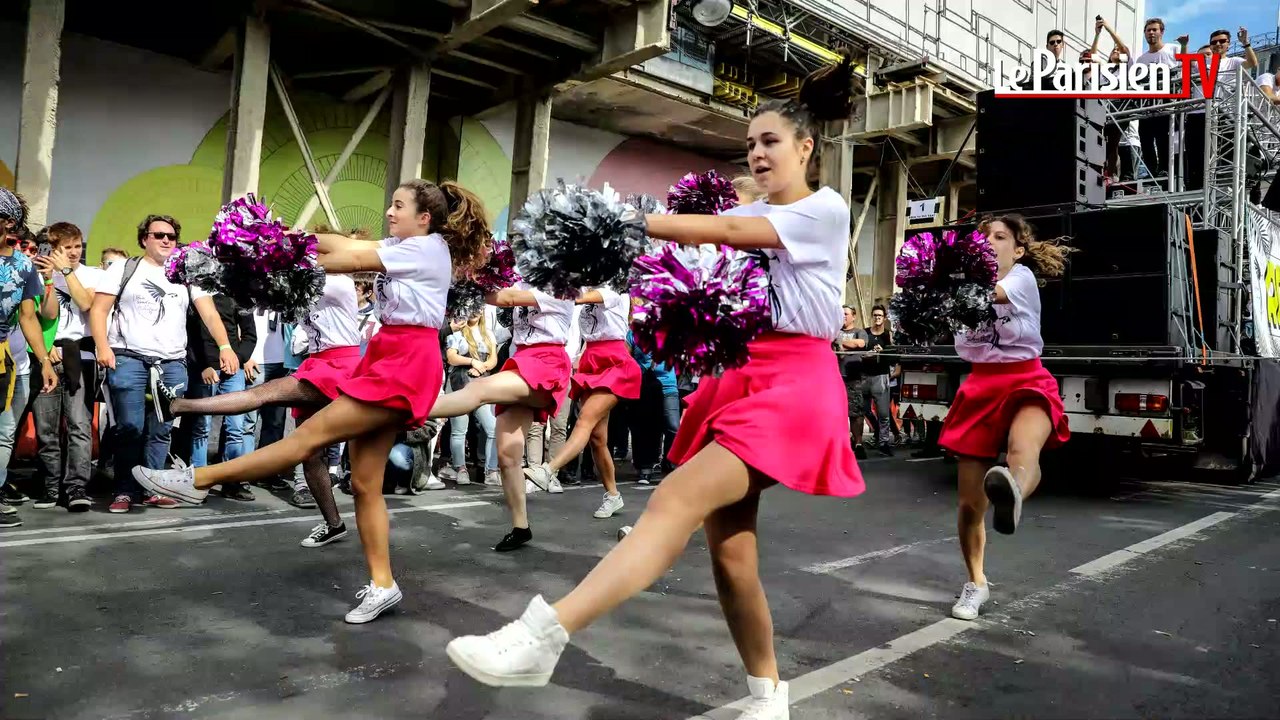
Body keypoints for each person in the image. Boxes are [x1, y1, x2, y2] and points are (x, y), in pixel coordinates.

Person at [444, 52, 863, 720]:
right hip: (745, 379)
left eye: (771, 141)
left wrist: (621, 224)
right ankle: (769, 698)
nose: (756, 153)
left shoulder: (823, 209)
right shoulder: (766, 222)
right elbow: (715, 256)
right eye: (750, 142)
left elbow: (726, 227)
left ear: (806, 147)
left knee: (673, 500)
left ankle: (542, 637)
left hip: (796, 385)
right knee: (732, 555)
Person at [132, 180, 491, 624]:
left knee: (307, 438)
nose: (390, 213)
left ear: (425, 218)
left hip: (404, 362)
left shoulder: (423, 248)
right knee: (363, 484)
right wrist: (269, 239)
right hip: (387, 357)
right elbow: (333, 241)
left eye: (399, 206)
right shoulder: (411, 244)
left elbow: (345, 258)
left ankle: (196, 480)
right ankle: (383, 585)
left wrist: (267, 259)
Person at [158, 269, 361, 547]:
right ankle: (334, 524)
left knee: (265, 393)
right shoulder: (308, 283)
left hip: (340, 366)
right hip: (318, 363)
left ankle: (177, 406)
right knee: (311, 453)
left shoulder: (339, 283)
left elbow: (285, 282)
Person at [941, 215, 1072, 622]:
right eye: (983, 237)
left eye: (999, 237)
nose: (989, 242)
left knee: (1022, 451)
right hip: (979, 386)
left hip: (1025, 377)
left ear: (1016, 249)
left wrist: (942, 286)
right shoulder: (955, 286)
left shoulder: (1020, 277)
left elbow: (989, 296)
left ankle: (1012, 491)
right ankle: (976, 583)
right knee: (967, 506)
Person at [88, 214, 239, 513]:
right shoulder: (123, 268)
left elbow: (209, 314)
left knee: (161, 429)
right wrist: (103, 347)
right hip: (128, 358)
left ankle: (153, 489)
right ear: (144, 239)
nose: (166, 240)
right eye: (158, 235)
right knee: (130, 427)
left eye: (171, 236)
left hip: (171, 363)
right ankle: (124, 490)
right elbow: (99, 310)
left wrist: (225, 346)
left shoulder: (186, 273)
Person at [427, 281, 575, 552]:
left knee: (479, 389)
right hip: (522, 363)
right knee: (507, 456)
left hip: (546, 363)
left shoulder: (560, 287)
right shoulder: (521, 280)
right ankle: (521, 528)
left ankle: (411, 408)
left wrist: (462, 288)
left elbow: (506, 299)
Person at [524, 287, 640, 518]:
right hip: (592, 362)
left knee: (584, 420)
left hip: (615, 364)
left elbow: (574, 298)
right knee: (597, 439)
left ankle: (549, 470)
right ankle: (613, 496)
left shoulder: (611, 292)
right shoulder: (589, 291)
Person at [30, 222, 99, 511]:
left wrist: (67, 272)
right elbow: (35, 316)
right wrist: (47, 279)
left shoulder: (92, 273)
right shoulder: (37, 272)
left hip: (78, 355)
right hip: (46, 353)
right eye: (66, 247)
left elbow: (85, 303)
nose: (73, 252)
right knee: (46, 427)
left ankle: (76, 487)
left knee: (79, 425)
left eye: (77, 246)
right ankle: (49, 486)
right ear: (53, 248)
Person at [441, 312, 500, 487]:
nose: (476, 312)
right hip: (459, 382)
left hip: (482, 383)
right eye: (472, 308)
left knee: (493, 428)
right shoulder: (457, 331)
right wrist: (472, 362)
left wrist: (481, 367)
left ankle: (492, 471)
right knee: (459, 429)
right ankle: (460, 469)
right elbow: (451, 357)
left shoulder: (488, 332)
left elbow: (493, 359)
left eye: (479, 308)